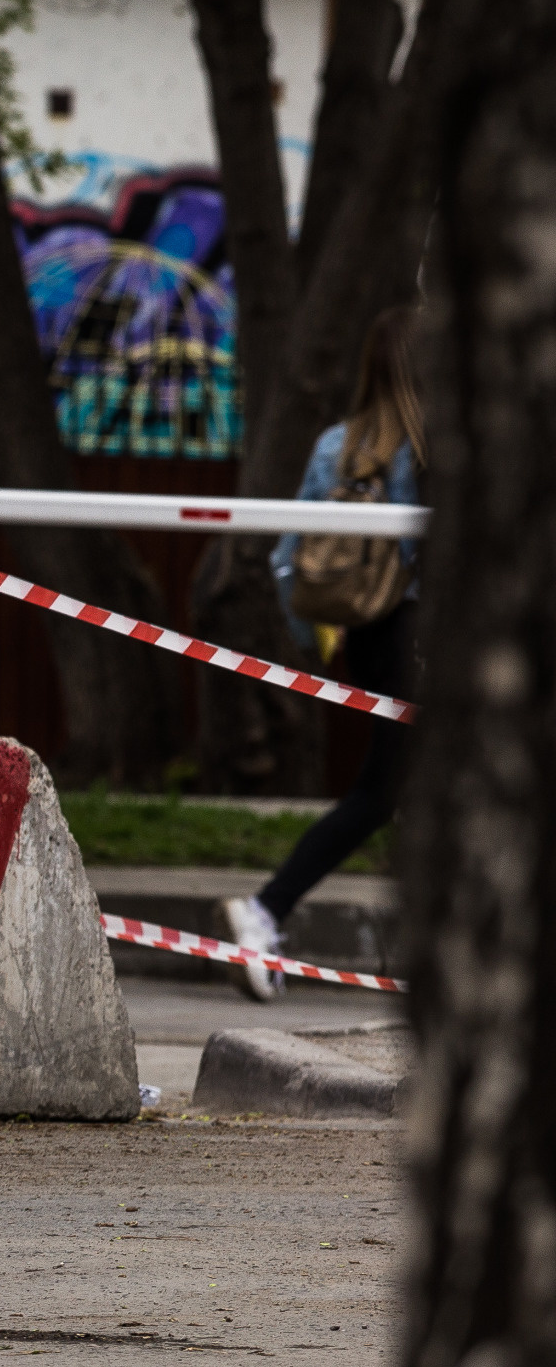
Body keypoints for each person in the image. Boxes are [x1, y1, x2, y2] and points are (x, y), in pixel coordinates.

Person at [223, 308, 423, 1001]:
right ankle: (267, 908)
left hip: (370, 644)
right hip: (423, 646)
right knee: (390, 791)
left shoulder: (337, 445)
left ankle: (269, 909)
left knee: (389, 791)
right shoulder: (435, 451)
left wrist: (313, 644)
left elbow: (287, 563)